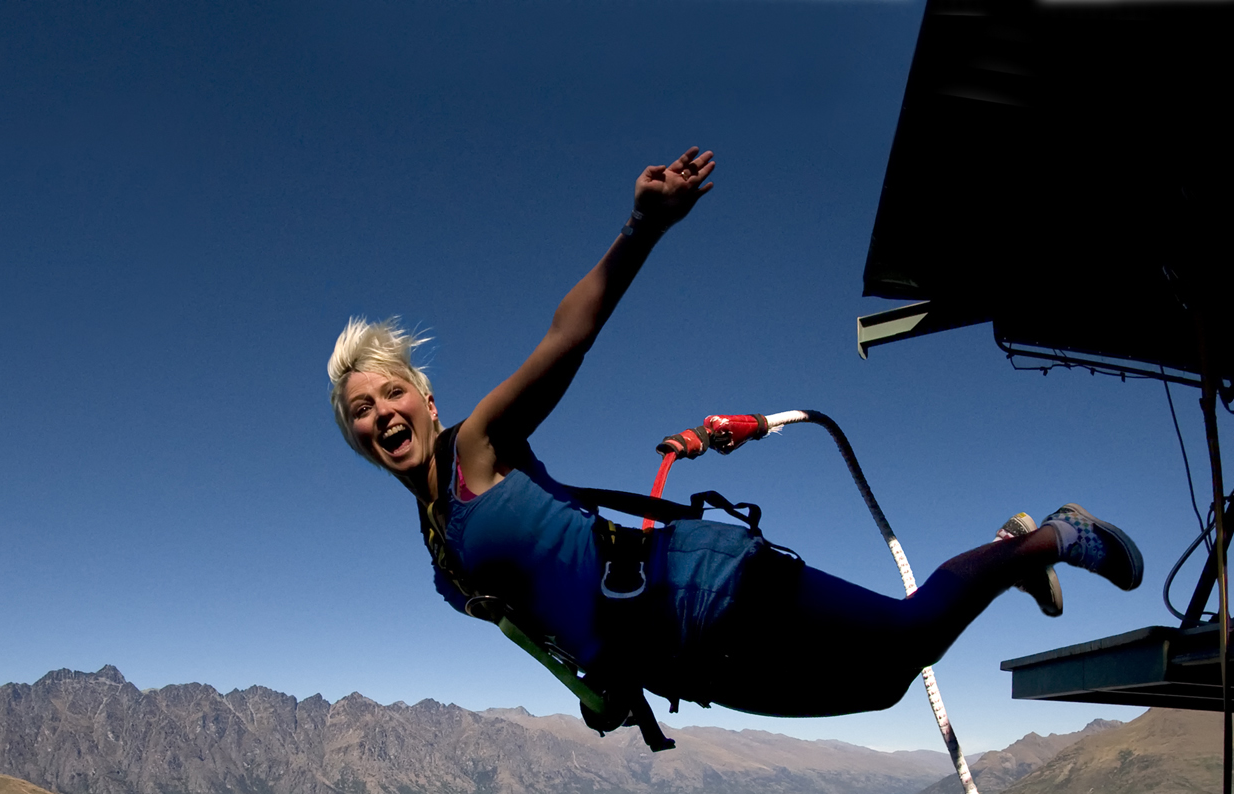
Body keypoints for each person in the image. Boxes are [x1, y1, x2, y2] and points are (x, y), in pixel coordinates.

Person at [327, 147, 1142, 738]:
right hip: (676, 659)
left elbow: (565, 340)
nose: (382, 413)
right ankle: (1014, 554)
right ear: (353, 436)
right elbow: (543, 611)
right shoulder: (439, 549)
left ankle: (1047, 538)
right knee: (884, 689)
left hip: (695, 586)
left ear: (427, 400)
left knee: (901, 643)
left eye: (392, 391)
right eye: (361, 410)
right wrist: (594, 681)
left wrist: (640, 229)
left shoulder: (478, 447)